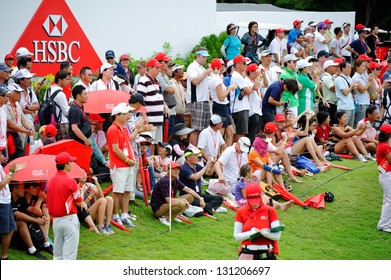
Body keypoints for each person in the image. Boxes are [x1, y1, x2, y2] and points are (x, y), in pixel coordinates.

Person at [46, 152, 88, 260]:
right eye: (70, 162)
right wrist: (82, 194)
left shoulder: (50, 181)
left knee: (57, 255)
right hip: (69, 219)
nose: (72, 164)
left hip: (56, 221)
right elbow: (79, 202)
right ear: (66, 164)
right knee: (69, 257)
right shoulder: (70, 181)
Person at [106, 103, 137, 228]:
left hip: (127, 164)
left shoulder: (123, 128)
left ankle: (124, 215)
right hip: (119, 165)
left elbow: (127, 144)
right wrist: (127, 160)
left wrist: (132, 159)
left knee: (127, 191)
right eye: (124, 114)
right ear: (116, 116)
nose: (127, 116)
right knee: (117, 192)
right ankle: (115, 215)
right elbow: (115, 149)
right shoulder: (113, 129)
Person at [234, 182, 282, 260]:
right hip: (247, 253)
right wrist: (250, 233)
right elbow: (237, 236)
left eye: (257, 200)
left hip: (266, 253)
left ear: (261, 196)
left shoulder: (270, 210)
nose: (255, 204)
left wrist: (265, 233)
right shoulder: (241, 211)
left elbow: (277, 236)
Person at [151, 161, 206, 226]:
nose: (176, 171)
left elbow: (188, 189)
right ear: (168, 170)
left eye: (178, 169)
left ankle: (175, 215)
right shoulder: (165, 181)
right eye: (174, 169)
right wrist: (183, 200)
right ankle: (164, 217)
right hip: (159, 209)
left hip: (167, 204)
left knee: (190, 196)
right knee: (182, 203)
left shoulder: (175, 180)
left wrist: (200, 199)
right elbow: (168, 200)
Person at [179, 148, 225, 215]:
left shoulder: (196, 166)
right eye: (195, 155)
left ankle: (208, 208)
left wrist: (212, 165)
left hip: (198, 195)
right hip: (189, 196)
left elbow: (209, 173)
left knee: (219, 198)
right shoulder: (184, 168)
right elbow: (195, 177)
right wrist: (206, 166)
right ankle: (210, 208)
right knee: (202, 204)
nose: (197, 157)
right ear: (188, 157)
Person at [137, 58, 168, 155]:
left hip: (158, 118)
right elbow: (140, 99)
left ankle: (153, 164)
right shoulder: (143, 81)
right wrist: (144, 115)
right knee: (149, 142)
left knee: (156, 142)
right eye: (157, 68)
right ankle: (148, 163)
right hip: (150, 118)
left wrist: (165, 107)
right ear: (150, 68)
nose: (159, 70)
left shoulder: (156, 81)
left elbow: (160, 96)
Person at [0, 161, 26, 260]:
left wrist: (14, 172)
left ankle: (4, 257)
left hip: (5, 202)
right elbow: (1, 185)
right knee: (6, 230)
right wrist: (11, 173)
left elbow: (6, 181)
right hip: (2, 203)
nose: (2, 155)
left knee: (10, 229)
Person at [186, 48, 213, 146]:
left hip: (204, 100)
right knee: (196, 129)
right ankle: (193, 151)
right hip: (196, 101)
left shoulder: (202, 68)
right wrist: (207, 72)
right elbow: (195, 81)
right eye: (203, 56)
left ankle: (200, 152)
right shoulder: (192, 67)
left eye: (206, 57)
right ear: (197, 56)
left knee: (204, 130)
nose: (205, 59)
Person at [209, 58, 237, 146]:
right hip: (220, 106)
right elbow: (221, 97)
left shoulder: (216, 78)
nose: (224, 67)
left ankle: (226, 152)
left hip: (223, 106)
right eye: (222, 65)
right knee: (220, 132)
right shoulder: (216, 79)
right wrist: (229, 88)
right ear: (218, 67)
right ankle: (217, 153)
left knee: (230, 132)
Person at [5, 83, 34, 160]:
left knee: (20, 156)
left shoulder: (17, 104)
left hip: (17, 134)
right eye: (17, 92)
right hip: (8, 134)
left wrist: (30, 128)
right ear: (10, 93)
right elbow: (10, 124)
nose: (20, 94)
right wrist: (26, 131)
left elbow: (23, 119)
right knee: (10, 158)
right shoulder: (5, 105)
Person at [43, 70, 71, 140]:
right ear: (60, 80)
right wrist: (72, 107)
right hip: (61, 123)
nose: (68, 81)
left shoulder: (48, 90)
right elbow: (66, 111)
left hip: (48, 123)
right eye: (66, 79)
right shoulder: (60, 94)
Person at [351, 59, 376, 128]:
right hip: (360, 103)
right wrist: (370, 82)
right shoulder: (355, 77)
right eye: (362, 66)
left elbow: (369, 88)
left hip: (366, 102)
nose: (364, 68)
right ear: (356, 67)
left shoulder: (363, 76)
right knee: (359, 124)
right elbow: (362, 90)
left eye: (365, 66)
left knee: (366, 123)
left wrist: (370, 80)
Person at [376, 124, 391, 233]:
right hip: (387, 175)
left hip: (385, 175)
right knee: (389, 201)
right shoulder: (385, 146)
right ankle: (383, 224)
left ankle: (386, 223)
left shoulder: (382, 144)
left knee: (387, 200)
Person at [335, 61, 358, 128]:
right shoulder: (339, 79)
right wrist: (351, 86)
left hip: (351, 106)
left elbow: (354, 93)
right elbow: (345, 92)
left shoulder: (350, 78)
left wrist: (355, 87)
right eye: (348, 68)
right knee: (343, 126)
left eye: (350, 68)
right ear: (342, 68)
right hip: (343, 106)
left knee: (350, 127)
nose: (350, 69)